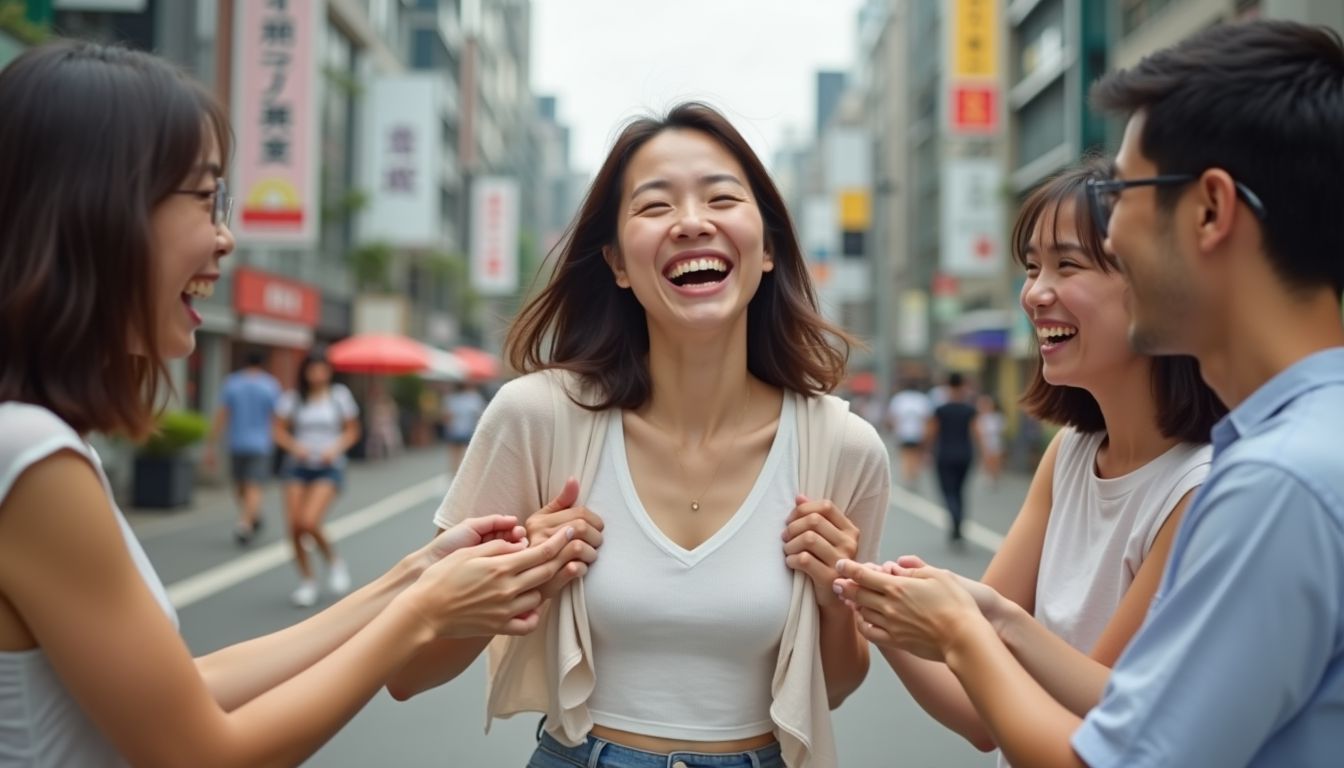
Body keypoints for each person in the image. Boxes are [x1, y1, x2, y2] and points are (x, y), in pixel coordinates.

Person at [0, 39, 586, 767]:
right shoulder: (30, 457)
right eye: (205, 197)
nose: (226, 238)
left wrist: (413, 576)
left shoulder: (34, 440)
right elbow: (204, 755)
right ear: (97, 208)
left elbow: (189, 686)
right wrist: (420, 612)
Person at [835, 20, 1344, 767]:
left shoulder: (1275, 482)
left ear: (1210, 210)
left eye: (1127, 193)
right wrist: (949, 612)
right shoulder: (1285, 450)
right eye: (1032, 267)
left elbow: (1105, 753)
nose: (1118, 232)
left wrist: (970, 629)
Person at [387, 102, 891, 768]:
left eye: (721, 198)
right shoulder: (535, 418)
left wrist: (832, 599)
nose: (692, 222)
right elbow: (407, 671)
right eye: (655, 206)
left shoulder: (845, 449)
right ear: (618, 263)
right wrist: (518, 579)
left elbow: (837, 685)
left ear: (768, 248)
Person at [838, 161, 1224, 762]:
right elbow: (979, 713)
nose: (1035, 294)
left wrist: (984, 623)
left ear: (1156, 284)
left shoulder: (1199, 488)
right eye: (1031, 267)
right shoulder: (1068, 453)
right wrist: (859, 584)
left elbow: (1098, 721)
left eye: (1067, 265)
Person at [273, 353, 361, 608]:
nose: (317, 375)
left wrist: (335, 449)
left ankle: (334, 562)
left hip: (328, 467)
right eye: (313, 369)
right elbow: (277, 430)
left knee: (309, 522)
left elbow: (353, 430)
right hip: (297, 467)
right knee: (294, 527)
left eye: (322, 369)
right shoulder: (293, 398)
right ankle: (307, 581)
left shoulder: (339, 396)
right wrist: (295, 447)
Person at [204, 350, 281, 544]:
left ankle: (244, 524)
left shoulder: (232, 383)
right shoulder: (270, 385)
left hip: (241, 443)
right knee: (245, 486)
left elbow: (221, 415)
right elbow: (277, 417)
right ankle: (254, 515)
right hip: (258, 443)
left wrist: (211, 444)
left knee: (248, 485)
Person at [925, 372, 979, 544]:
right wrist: (984, 454)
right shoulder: (969, 410)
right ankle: (958, 523)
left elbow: (931, 433)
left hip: (944, 455)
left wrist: (926, 451)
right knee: (960, 490)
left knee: (948, 491)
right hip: (965, 454)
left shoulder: (940, 410)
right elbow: (977, 433)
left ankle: (955, 517)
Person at [886, 379, 932, 486]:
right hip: (918, 432)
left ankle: (907, 475)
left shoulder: (899, 398)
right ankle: (913, 474)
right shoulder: (922, 399)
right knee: (916, 455)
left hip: (903, 432)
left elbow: (892, 417)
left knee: (906, 454)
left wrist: (894, 429)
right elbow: (927, 418)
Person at [442, 380, 486, 474]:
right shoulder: (473, 397)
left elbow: (446, 416)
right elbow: (480, 415)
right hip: (468, 429)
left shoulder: (451, 398)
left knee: (455, 455)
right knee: (467, 455)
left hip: (454, 429)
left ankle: (455, 474)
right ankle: (464, 474)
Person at [974, 394, 1005, 487]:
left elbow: (1001, 430)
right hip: (985, 441)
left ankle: (995, 476)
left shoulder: (997, 417)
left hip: (996, 440)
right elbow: (978, 431)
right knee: (987, 459)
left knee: (996, 460)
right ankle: (989, 476)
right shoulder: (980, 418)